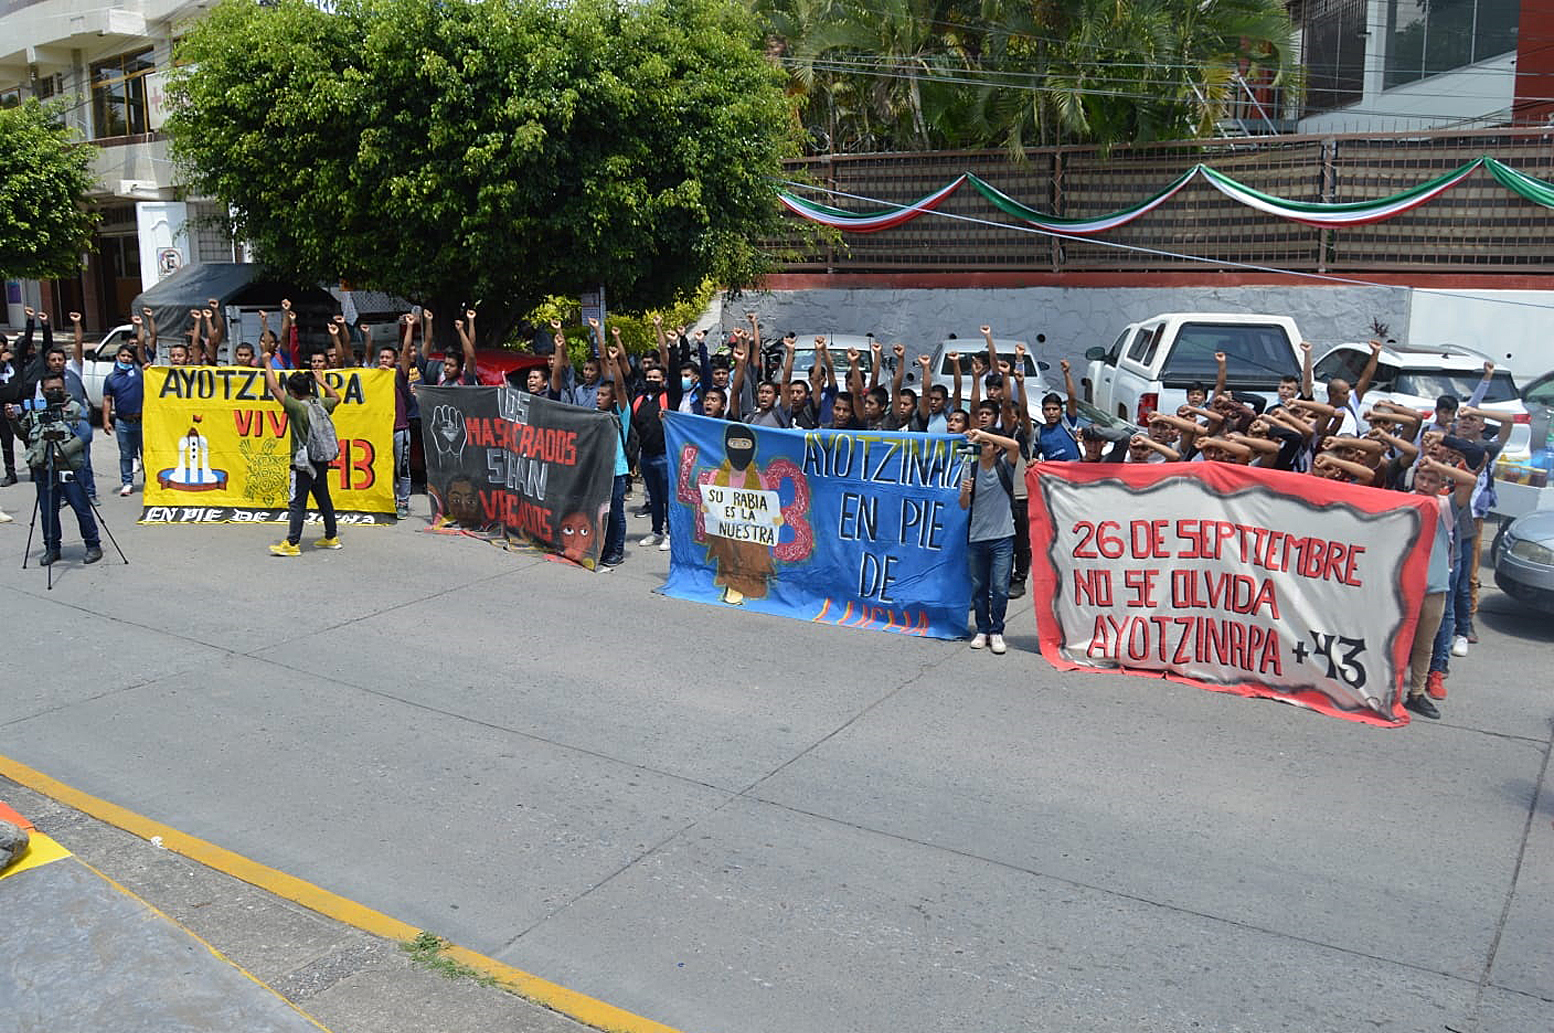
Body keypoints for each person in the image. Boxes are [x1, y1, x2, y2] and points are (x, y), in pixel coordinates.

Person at [1402, 456, 1478, 720]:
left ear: (1441, 484)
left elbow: (1470, 480)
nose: (1424, 484)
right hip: (1402, 586)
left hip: (1434, 587)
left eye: (1432, 480)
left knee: (1425, 645)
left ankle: (1416, 693)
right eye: (1421, 477)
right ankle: (1387, 688)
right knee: (1396, 642)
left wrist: (1436, 464)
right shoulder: (1401, 502)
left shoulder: (1447, 506)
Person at [11, 371, 101, 565]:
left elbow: (85, 436)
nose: (54, 392)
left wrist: (63, 451)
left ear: (64, 389)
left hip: (69, 468)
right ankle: (52, 548)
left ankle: (93, 545)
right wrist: (12, 420)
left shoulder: (74, 408)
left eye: (58, 389)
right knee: (48, 511)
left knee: (81, 507)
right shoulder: (36, 411)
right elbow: (23, 434)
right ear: (42, 391)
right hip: (44, 469)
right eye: (50, 389)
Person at [262, 367, 342, 556]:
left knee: (297, 502)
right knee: (323, 499)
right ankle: (331, 537)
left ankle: (292, 543)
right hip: (321, 459)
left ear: (293, 392)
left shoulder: (296, 407)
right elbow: (337, 398)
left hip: (302, 463)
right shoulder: (320, 403)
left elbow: (273, 388)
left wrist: (266, 362)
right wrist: (321, 381)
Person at [960, 426, 1020, 654]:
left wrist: (984, 435)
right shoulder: (970, 467)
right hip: (977, 537)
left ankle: (997, 631)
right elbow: (963, 505)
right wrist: (966, 492)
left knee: (1000, 588)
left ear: (995, 448)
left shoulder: (1004, 465)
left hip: (1003, 537)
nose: (982, 446)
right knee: (979, 588)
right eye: (981, 443)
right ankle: (982, 629)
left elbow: (1014, 446)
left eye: (986, 444)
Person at [591, 323, 632, 569]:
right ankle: (603, 546)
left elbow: (620, 387)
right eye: (597, 395)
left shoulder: (620, 415)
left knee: (616, 511)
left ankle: (617, 549)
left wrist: (615, 363)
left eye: (603, 395)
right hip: (599, 471)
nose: (599, 398)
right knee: (601, 512)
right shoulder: (595, 415)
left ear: (614, 399)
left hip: (617, 470)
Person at [101, 333, 147, 498]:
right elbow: (107, 400)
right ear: (117, 357)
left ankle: (148, 482)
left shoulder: (140, 373)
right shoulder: (111, 378)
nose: (126, 359)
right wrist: (106, 421)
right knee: (126, 454)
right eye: (123, 356)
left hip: (142, 420)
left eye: (129, 356)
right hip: (122, 422)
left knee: (146, 454)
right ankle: (127, 482)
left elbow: (143, 346)